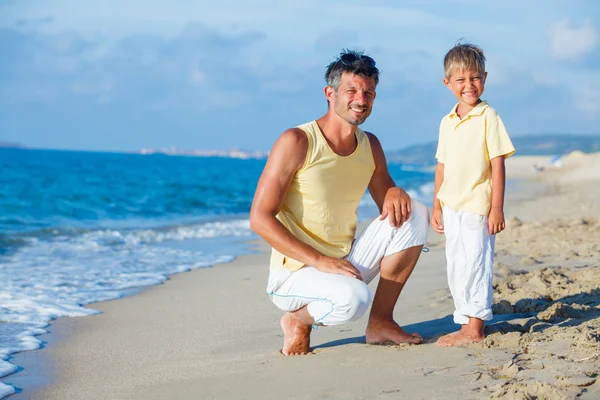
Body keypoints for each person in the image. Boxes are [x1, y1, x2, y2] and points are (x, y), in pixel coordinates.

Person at [250, 50, 430, 356]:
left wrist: (396, 192)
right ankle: (298, 319)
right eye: (352, 91)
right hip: (294, 274)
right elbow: (260, 218)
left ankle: (381, 322)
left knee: (415, 213)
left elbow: (388, 199)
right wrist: (319, 261)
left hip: (344, 261)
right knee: (353, 299)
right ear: (330, 93)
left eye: (368, 93)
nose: (361, 99)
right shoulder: (297, 141)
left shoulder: (369, 144)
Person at [431, 42, 515, 347]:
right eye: (461, 80)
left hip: (478, 205)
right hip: (451, 205)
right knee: (456, 264)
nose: (469, 85)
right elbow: (442, 166)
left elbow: (498, 164)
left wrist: (497, 208)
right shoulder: (447, 121)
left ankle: (476, 325)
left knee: (476, 262)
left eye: (475, 78)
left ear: (485, 77)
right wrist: (436, 205)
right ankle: (465, 320)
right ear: (448, 83)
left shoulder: (488, 116)